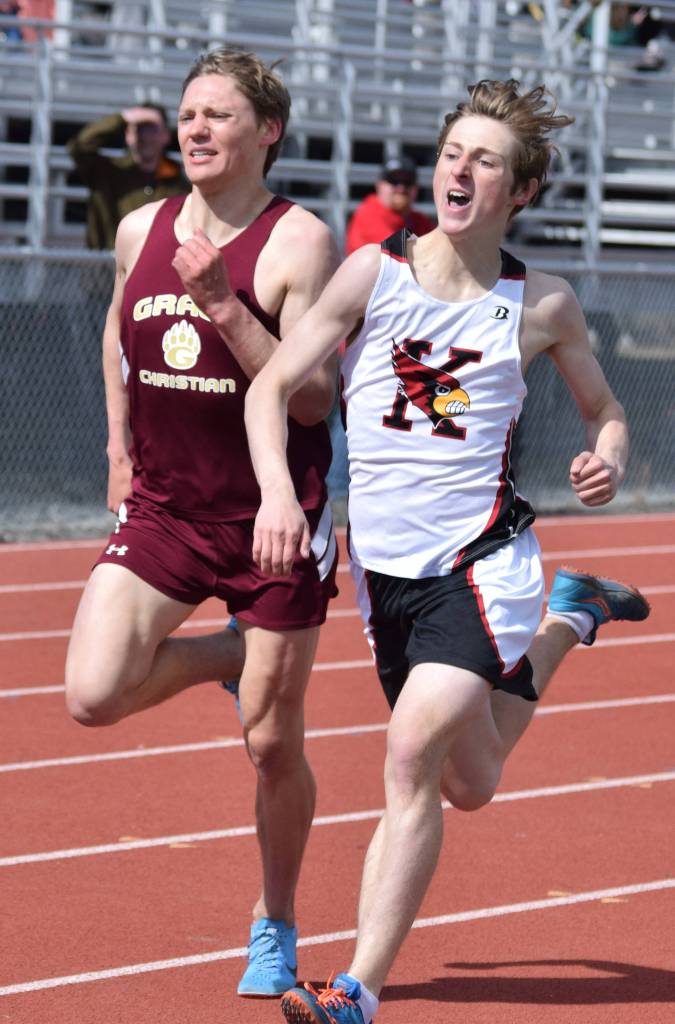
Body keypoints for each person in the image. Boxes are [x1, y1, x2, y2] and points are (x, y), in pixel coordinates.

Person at [242, 78, 651, 1023]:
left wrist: (608, 457)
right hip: (388, 577)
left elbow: (608, 410)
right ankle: (571, 616)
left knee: (408, 754)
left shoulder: (539, 303)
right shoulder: (367, 274)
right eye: (451, 153)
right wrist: (278, 493)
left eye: (485, 161)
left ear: (522, 189)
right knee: (470, 782)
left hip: (482, 562)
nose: (458, 171)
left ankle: (356, 990)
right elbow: (271, 392)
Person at [64, 47, 342, 999]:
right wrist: (116, 444)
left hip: (273, 516)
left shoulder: (299, 241)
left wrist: (223, 302)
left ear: (266, 131)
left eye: (218, 115)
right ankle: (229, 656)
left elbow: (312, 404)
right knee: (92, 694)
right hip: (168, 506)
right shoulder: (140, 224)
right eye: (188, 114)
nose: (194, 130)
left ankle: (276, 921)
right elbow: (116, 330)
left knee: (271, 745)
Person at [67, 102, 189, 249]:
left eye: (152, 129)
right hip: (108, 267)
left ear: (166, 135)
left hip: (159, 268)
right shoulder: (107, 173)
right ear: (128, 135)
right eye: (139, 129)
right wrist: (123, 118)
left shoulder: (180, 183)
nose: (145, 137)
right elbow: (79, 147)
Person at [345, 155, 435, 255]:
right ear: (379, 185)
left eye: (407, 182)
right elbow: (396, 254)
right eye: (394, 181)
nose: (401, 188)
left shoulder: (420, 221)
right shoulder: (367, 214)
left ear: (416, 188)